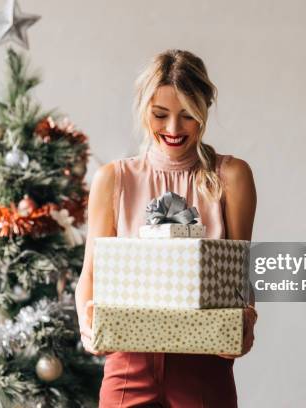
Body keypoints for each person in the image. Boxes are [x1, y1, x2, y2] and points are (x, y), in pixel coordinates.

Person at [75, 49, 258, 408]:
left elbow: (240, 273)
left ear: (205, 111)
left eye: (188, 116)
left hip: (205, 364)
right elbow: (91, 272)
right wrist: (88, 324)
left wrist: (246, 319)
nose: (173, 129)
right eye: (161, 115)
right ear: (144, 109)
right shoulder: (114, 179)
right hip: (129, 362)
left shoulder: (231, 177)